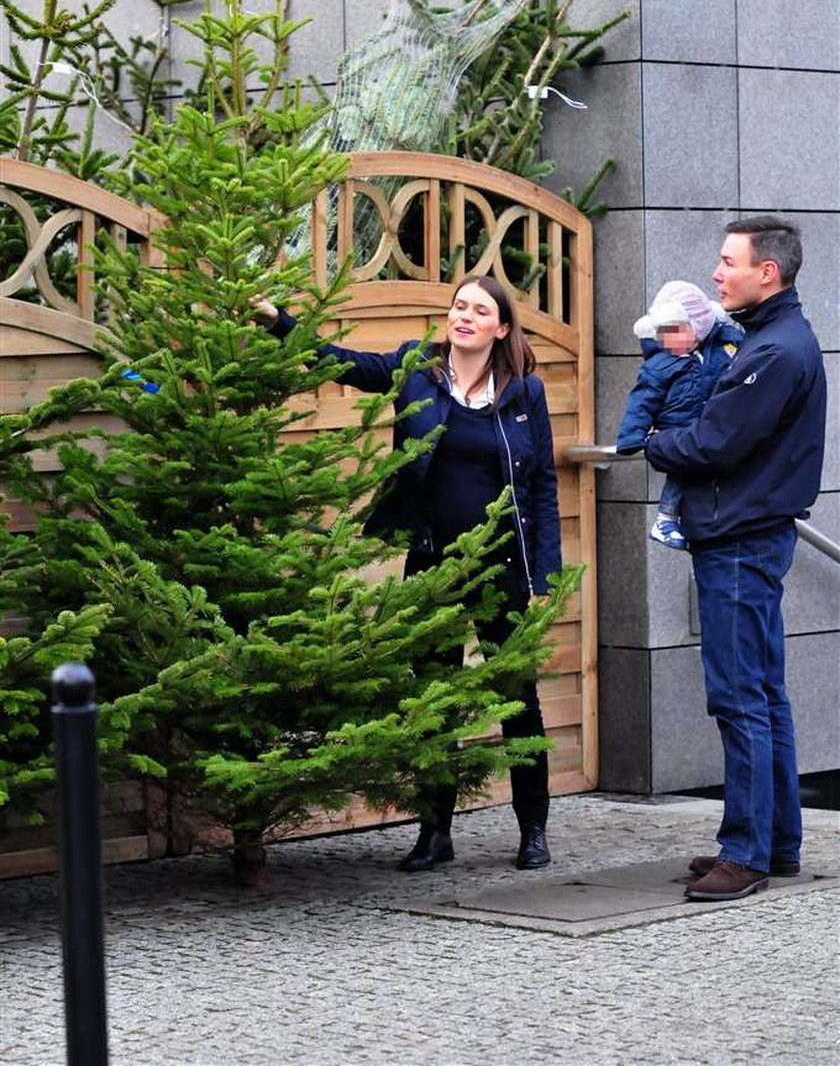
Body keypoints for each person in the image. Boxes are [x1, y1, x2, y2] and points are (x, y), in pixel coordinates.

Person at [257, 275, 562, 872]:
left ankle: (533, 830)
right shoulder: (417, 369)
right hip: (431, 562)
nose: (464, 316)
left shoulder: (524, 392)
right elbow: (340, 363)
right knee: (434, 699)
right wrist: (279, 322)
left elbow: (543, 485)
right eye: (458, 306)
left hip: (501, 564)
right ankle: (434, 833)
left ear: (502, 327)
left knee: (516, 696)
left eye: (479, 310)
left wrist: (543, 576)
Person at [645, 218, 827, 903]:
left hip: (741, 539)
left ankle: (745, 853)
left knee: (739, 696)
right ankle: (775, 843)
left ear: (767, 274)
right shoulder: (772, 340)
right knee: (763, 693)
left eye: (728, 262)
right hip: (750, 534)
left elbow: (714, 444)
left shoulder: (774, 352)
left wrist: (655, 439)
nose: (717, 274)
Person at [616, 281, 742, 549]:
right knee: (679, 475)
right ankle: (666, 517)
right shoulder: (661, 364)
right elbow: (642, 401)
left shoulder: (723, 347)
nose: (667, 339)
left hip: (709, 429)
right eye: (663, 332)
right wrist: (631, 436)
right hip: (677, 430)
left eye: (675, 331)